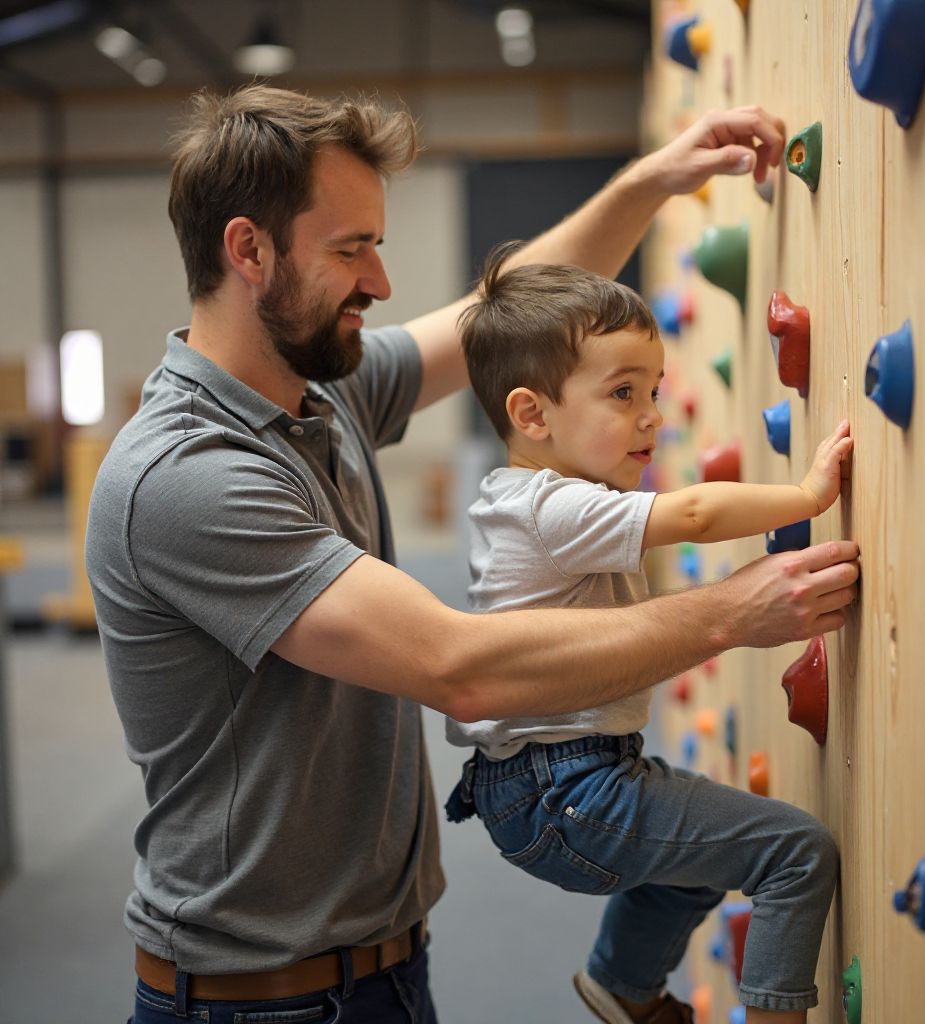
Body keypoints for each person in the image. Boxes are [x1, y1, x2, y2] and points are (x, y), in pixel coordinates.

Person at [84, 83, 860, 1024]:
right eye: (349, 249)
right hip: (262, 1001)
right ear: (248, 250)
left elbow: (505, 319)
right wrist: (733, 613)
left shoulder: (319, 396)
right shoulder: (188, 474)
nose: (380, 281)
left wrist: (655, 179)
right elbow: (460, 670)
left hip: (379, 970)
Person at [444, 246, 854, 1024]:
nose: (652, 416)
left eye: (655, 390)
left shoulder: (527, 499)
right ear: (531, 415)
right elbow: (692, 515)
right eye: (622, 393)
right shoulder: (551, 507)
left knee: (694, 867)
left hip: (545, 784)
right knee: (796, 853)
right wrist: (806, 493)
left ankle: (622, 984)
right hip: (565, 788)